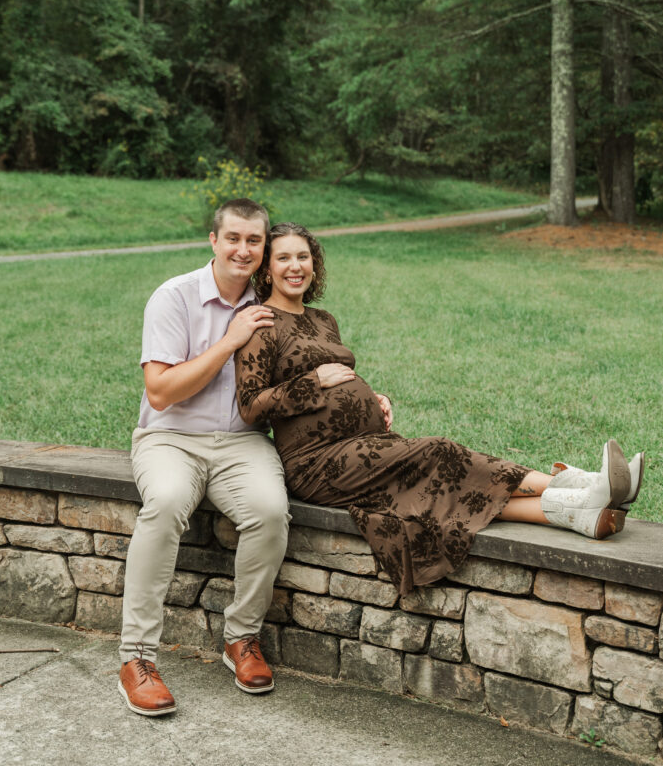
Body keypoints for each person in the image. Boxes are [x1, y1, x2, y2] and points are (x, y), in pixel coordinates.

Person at [234, 222, 645, 597]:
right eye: (283, 258)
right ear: (266, 269)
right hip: (317, 462)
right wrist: (314, 382)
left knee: (447, 493)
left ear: (314, 263)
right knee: (440, 453)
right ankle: (579, 484)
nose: (295, 266)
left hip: (364, 443)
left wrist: (375, 399)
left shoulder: (323, 319)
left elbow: (341, 377)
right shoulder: (261, 324)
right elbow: (251, 406)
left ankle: (576, 513)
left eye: (303, 256)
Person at [118, 199, 290, 717]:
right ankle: (136, 658)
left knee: (269, 513)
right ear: (213, 240)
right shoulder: (175, 297)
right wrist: (230, 340)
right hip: (171, 437)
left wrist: (364, 398)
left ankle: (241, 639)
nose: (243, 249)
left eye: (254, 241)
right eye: (233, 238)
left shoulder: (272, 301)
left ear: (263, 248)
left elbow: (309, 368)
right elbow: (162, 392)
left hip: (242, 444)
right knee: (166, 502)